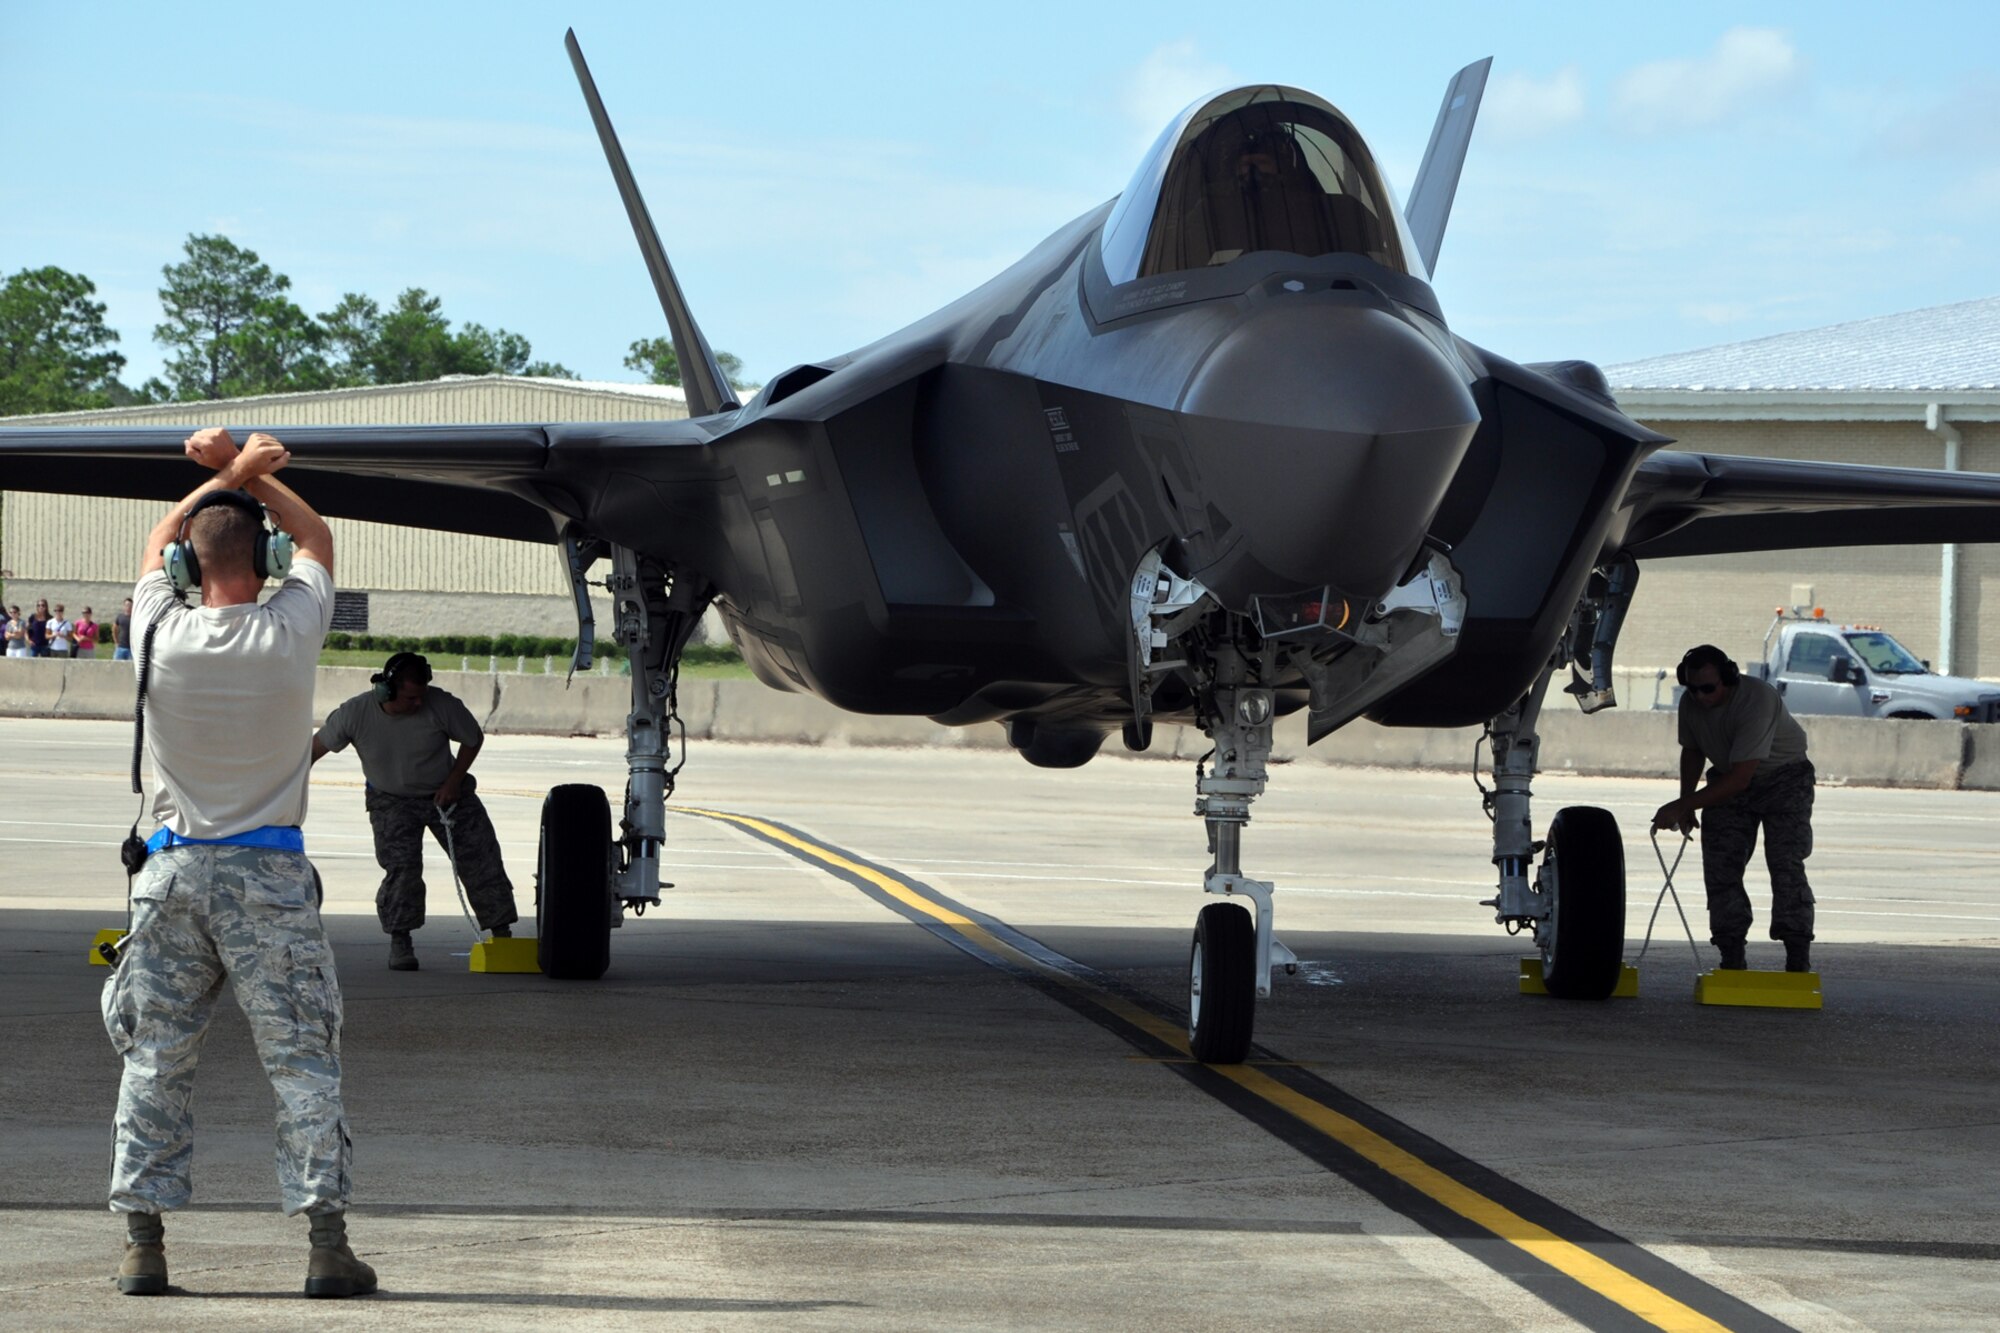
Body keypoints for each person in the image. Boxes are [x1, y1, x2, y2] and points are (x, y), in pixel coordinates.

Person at [103, 427, 375, 1299]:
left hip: (174, 875)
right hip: (269, 879)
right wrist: (258, 471)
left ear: (188, 566)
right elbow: (320, 541)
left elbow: (158, 542)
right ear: (261, 555)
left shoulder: (160, 630)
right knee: (302, 1061)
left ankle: (144, 1245)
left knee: (155, 1058)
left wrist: (221, 474)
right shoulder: (291, 628)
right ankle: (326, 1244)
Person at [311, 652, 518, 970]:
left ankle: (501, 935)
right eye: (410, 698)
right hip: (391, 800)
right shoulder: (354, 713)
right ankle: (401, 941)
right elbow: (313, 751)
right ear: (386, 691)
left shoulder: (442, 704)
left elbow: (472, 739)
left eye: (421, 696)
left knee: (482, 862)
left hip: (448, 795)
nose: (418, 703)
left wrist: (453, 781)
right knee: (402, 871)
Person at [1652, 644, 1816, 973]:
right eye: (1692, 688)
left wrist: (1683, 804)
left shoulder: (1757, 700)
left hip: (1783, 780)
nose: (1699, 696)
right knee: (1721, 866)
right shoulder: (1692, 703)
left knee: (1785, 864)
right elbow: (1693, 750)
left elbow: (1743, 777)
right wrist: (1688, 803)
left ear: (1727, 679)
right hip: (1729, 777)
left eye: (1708, 688)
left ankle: (1797, 956)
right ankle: (1730, 954)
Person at [111, 596, 135, 661]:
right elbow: (114, 629)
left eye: (130, 606)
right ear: (124, 606)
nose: (128, 607)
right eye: (127, 605)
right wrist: (116, 642)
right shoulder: (120, 617)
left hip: (132, 649)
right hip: (120, 647)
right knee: (116, 666)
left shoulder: (135, 618)